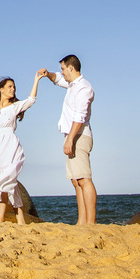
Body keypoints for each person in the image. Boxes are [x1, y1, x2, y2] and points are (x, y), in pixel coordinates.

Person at [37, 54, 97, 225]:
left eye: (63, 69)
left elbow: (80, 116)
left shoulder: (84, 87)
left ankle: (91, 223)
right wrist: (47, 74)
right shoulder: (72, 85)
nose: (62, 72)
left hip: (79, 135)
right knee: (76, 180)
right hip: (72, 135)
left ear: (71, 67)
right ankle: (82, 221)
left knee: (84, 179)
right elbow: (57, 80)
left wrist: (70, 139)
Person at [0, 72, 44, 224]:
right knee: (4, 182)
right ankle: (18, 217)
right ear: (1, 89)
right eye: (9, 87)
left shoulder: (14, 107)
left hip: (11, 146)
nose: (13, 89)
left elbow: (31, 100)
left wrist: (36, 80)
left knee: (7, 179)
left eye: (14, 87)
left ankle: (1, 218)